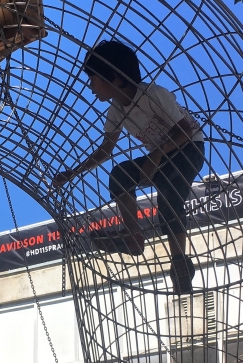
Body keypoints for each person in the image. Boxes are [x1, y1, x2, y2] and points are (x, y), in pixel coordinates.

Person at [52, 40, 204, 294]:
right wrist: (73, 172)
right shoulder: (116, 110)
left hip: (188, 148)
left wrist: (155, 156)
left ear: (115, 78)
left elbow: (185, 131)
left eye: (93, 79)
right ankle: (133, 237)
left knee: (170, 193)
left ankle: (180, 261)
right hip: (162, 157)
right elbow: (106, 149)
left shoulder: (154, 95)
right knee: (120, 173)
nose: (90, 88)